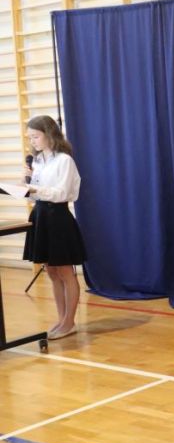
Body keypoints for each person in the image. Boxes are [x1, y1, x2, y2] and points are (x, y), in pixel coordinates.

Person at [23, 115, 87, 340]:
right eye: (30, 137)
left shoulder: (64, 161)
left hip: (57, 217)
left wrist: (36, 190)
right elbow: (36, 194)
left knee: (65, 271)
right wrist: (27, 186)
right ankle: (61, 319)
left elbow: (62, 193)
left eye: (35, 136)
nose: (32, 141)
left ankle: (70, 321)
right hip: (41, 215)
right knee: (51, 271)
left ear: (49, 134)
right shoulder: (38, 161)